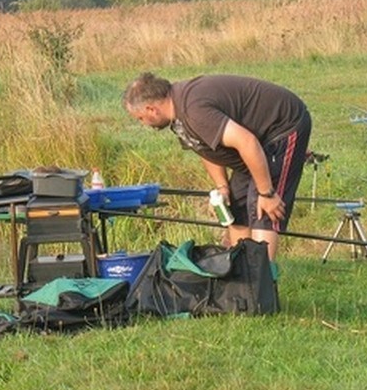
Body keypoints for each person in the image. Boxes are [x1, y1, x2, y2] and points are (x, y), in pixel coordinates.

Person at [122, 73, 312, 262]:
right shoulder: (178, 115)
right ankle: (240, 276)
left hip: (282, 126)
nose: (143, 124)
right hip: (253, 141)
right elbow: (205, 147)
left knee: (263, 208)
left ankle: (262, 280)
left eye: (140, 118)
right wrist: (222, 187)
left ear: (151, 109)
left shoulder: (193, 110)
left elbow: (246, 141)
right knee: (236, 207)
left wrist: (267, 193)